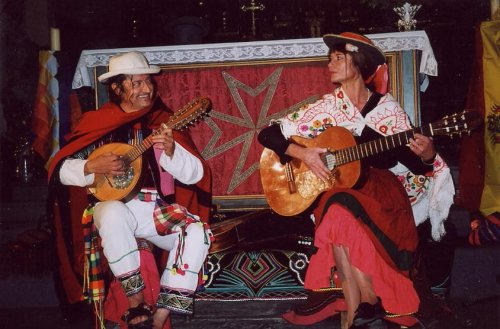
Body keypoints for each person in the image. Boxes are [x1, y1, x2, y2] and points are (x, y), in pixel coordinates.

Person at [258, 32, 454, 328]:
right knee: (337, 207)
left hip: (382, 195)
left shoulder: (389, 111)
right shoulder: (324, 108)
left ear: (359, 63)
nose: (329, 65)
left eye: (338, 58)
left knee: (337, 210)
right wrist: (305, 154)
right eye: (330, 59)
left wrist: (428, 154)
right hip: (342, 192)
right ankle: (364, 304)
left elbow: (416, 163)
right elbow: (268, 133)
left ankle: (357, 313)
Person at [48, 51, 212, 329]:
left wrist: (172, 152)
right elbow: (59, 171)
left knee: (196, 231)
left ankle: (162, 312)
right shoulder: (95, 122)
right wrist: (91, 166)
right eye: (136, 83)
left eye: (148, 82)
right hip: (110, 208)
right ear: (116, 87)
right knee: (112, 211)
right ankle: (135, 302)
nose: (146, 88)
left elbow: (197, 173)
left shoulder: (163, 120)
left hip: (153, 208)